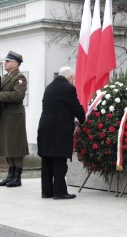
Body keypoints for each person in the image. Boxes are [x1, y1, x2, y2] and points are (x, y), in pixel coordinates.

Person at [37, 66, 85, 199]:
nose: (73, 82)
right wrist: (82, 118)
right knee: (59, 160)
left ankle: (46, 191)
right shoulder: (68, 88)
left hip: (44, 127)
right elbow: (75, 106)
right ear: (69, 77)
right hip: (58, 129)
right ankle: (60, 192)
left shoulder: (49, 87)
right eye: (73, 79)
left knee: (46, 160)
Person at [0, 50, 29, 188]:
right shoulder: (5, 77)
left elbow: (17, 95)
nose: (5, 63)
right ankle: (10, 174)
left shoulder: (19, 78)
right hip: (4, 115)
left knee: (15, 146)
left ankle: (17, 176)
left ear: (15, 64)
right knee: (7, 146)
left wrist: (0, 95)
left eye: (7, 61)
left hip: (15, 117)